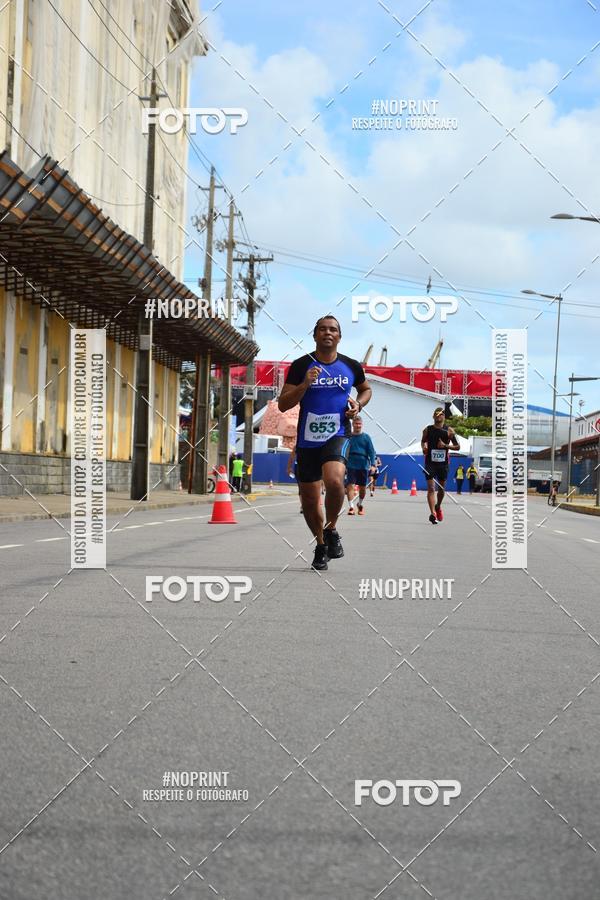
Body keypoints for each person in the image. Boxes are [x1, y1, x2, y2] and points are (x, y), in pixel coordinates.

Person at [278, 314, 372, 570]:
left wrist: (358, 405)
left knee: (334, 480)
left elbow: (366, 389)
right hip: (308, 440)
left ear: (339, 336)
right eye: (322, 329)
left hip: (338, 434)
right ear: (315, 335)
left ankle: (331, 528)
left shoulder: (351, 366)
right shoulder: (300, 366)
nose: (327, 333)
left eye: (333, 329)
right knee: (308, 500)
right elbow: (284, 403)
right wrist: (305, 384)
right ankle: (321, 544)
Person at [421, 407, 460, 525]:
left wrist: (445, 446)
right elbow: (423, 441)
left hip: (443, 464)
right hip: (430, 463)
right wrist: (424, 447)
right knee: (431, 488)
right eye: (436, 414)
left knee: (441, 489)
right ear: (433, 417)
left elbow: (458, 447)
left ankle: (438, 506)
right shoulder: (427, 430)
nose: (439, 416)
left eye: (441, 414)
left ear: (444, 417)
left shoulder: (449, 431)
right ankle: (433, 513)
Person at [346, 417, 376, 516]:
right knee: (350, 485)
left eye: (359, 424)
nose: (358, 425)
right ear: (352, 424)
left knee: (362, 488)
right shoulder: (348, 436)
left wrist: (373, 465)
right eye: (356, 424)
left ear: (362, 424)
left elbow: (371, 452)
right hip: (350, 463)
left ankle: (360, 504)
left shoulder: (366, 437)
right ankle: (351, 507)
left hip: (363, 464)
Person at [286, 445, 303, 513]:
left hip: (311, 466)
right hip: (299, 467)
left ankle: (310, 505)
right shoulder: (297, 446)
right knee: (301, 487)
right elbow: (291, 457)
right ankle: (303, 506)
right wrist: (289, 467)